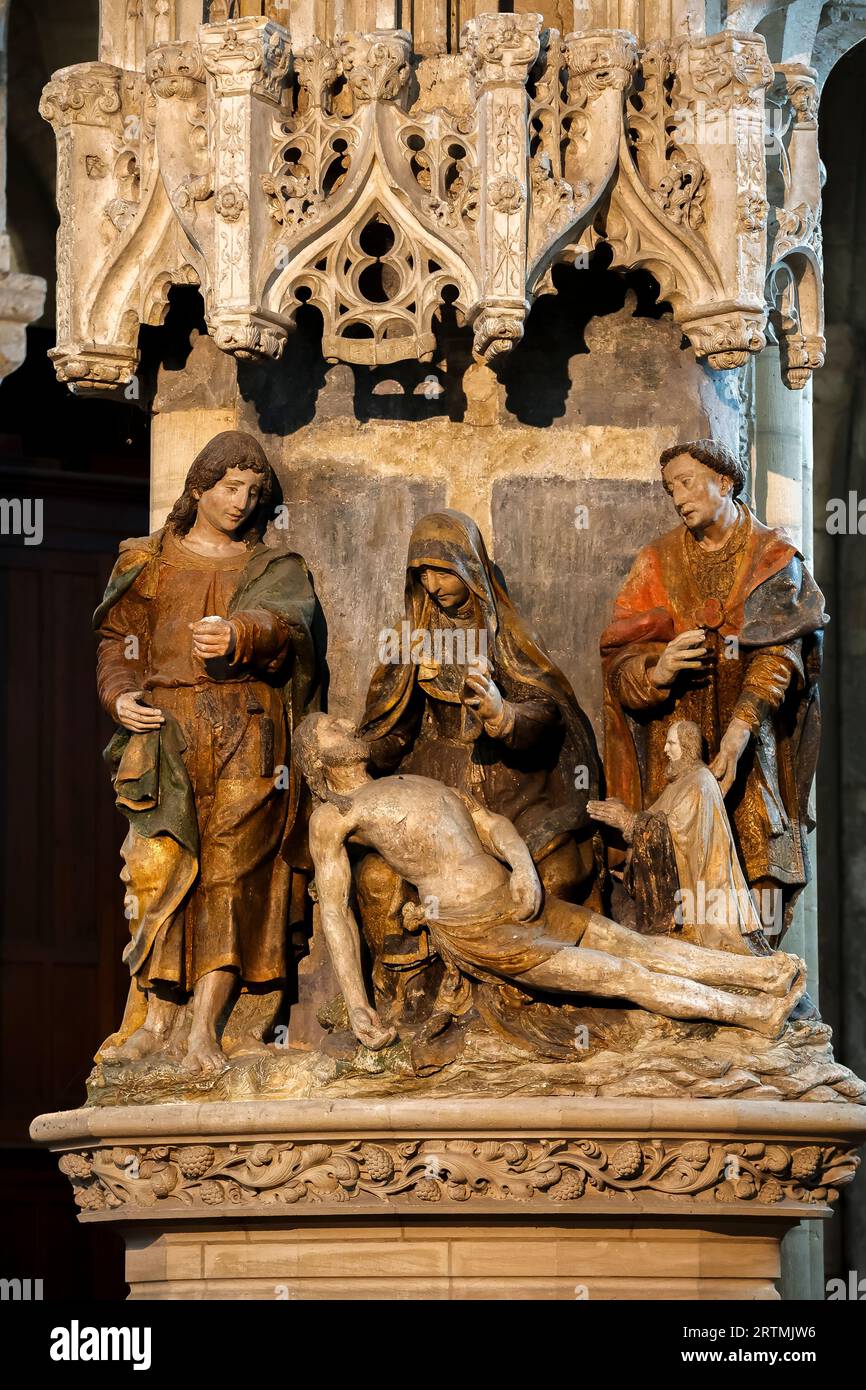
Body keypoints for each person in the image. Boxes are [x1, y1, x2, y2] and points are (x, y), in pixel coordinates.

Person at [294, 713, 805, 1051]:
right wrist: (358, 1004)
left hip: (516, 898)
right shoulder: (335, 815)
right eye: (329, 728)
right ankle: (753, 1014)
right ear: (317, 760)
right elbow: (335, 913)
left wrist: (522, 870)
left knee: (632, 945)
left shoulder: (413, 780)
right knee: (618, 974)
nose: (345, 722)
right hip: (479, 930)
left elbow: (490, 823)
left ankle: (765, 977)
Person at [94, 430, 319, 1072]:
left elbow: (290, 625)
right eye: (229, 487)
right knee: (160, 868)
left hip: (248, 726)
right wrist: (119, 696)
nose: (241, 502)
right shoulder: (147, 561)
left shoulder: (272, 567)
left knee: (232, 870)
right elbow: (118, 640)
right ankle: (158, 1016)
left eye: (254, 492)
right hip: (166, 727)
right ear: (199, 487)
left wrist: (240, 633)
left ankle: (206, 1028)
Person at [357, 509, 599, 1006]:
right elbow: (392, 730)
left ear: (469, 568)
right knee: (380, 879)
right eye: (422, 572)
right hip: (437, 790)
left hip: (511, 786)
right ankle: (416, 997)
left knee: (556, 874)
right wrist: (358, 753)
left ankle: (532, 983)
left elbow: (550, 712)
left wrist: (503, 713)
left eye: (443, 570)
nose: (432, 583)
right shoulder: (412, 640)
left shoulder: (506, 634)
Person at [601, 439, 826, 943]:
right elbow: (618, 662)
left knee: (760, 863)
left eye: (685, 482)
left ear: (724, 482)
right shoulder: (656, 562)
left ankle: (761, 977)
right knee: (676, 873)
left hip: (752, 741)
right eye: (669, 489)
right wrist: (656, 672)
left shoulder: (772, 556)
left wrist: (739, 733)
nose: (677, 497)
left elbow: (779, 654)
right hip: (675, 742)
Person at [589, 719, 772, 953]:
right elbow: (654, 818)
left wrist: (627, 820)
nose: (665, 749)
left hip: (701, 906)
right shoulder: (679, 783)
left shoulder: (700, 781)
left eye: (671, 743)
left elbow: (678, 834)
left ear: (687, 746)